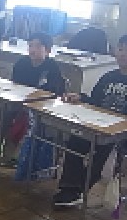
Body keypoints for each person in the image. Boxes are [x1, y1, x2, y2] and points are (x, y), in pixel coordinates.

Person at [53, 34, 127, 206]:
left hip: (119, 133)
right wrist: (80, 97)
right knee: (75, 141)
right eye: (121, 49)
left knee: (100, 150)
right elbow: (95, 100)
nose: (123, 54)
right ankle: (70, 187)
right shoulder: (108, 76)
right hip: (98, 124)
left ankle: (81, 189)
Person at [4, 32, 65, 162]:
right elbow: (14, 85)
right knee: (5, 112)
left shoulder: (52, 67)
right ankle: (6, 148)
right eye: (30, 45)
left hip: (42, 106)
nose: (32, 50)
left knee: (30, 121)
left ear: (47, 50)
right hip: (20, 102)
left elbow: (54, 92)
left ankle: (23, 155)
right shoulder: (22, 63)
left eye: (37, 46)